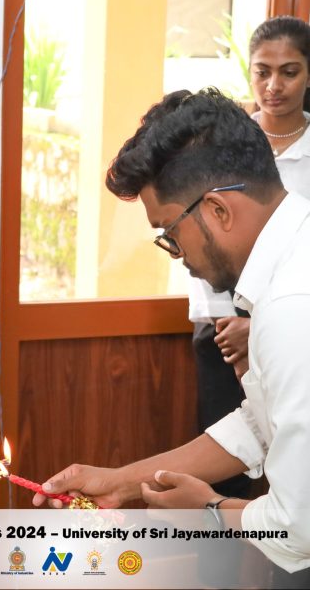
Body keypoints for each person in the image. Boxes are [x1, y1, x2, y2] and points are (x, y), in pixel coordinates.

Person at [33, 87, 310, 576]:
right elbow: (261, 423)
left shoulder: (292, 306)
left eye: (171, 234)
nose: (177, 257)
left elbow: (297, 527)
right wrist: (120, 481)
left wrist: (208, 511)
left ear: (218, 210)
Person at [191, 17, 310, 486]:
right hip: (222, 325)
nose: (273, 86)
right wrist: (229, 325)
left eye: (289, 72)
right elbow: (200, 234)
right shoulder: (227, 143)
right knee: (223, 463)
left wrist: (259, 327)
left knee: (290, 461)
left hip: (297, 322)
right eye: (262, 72)